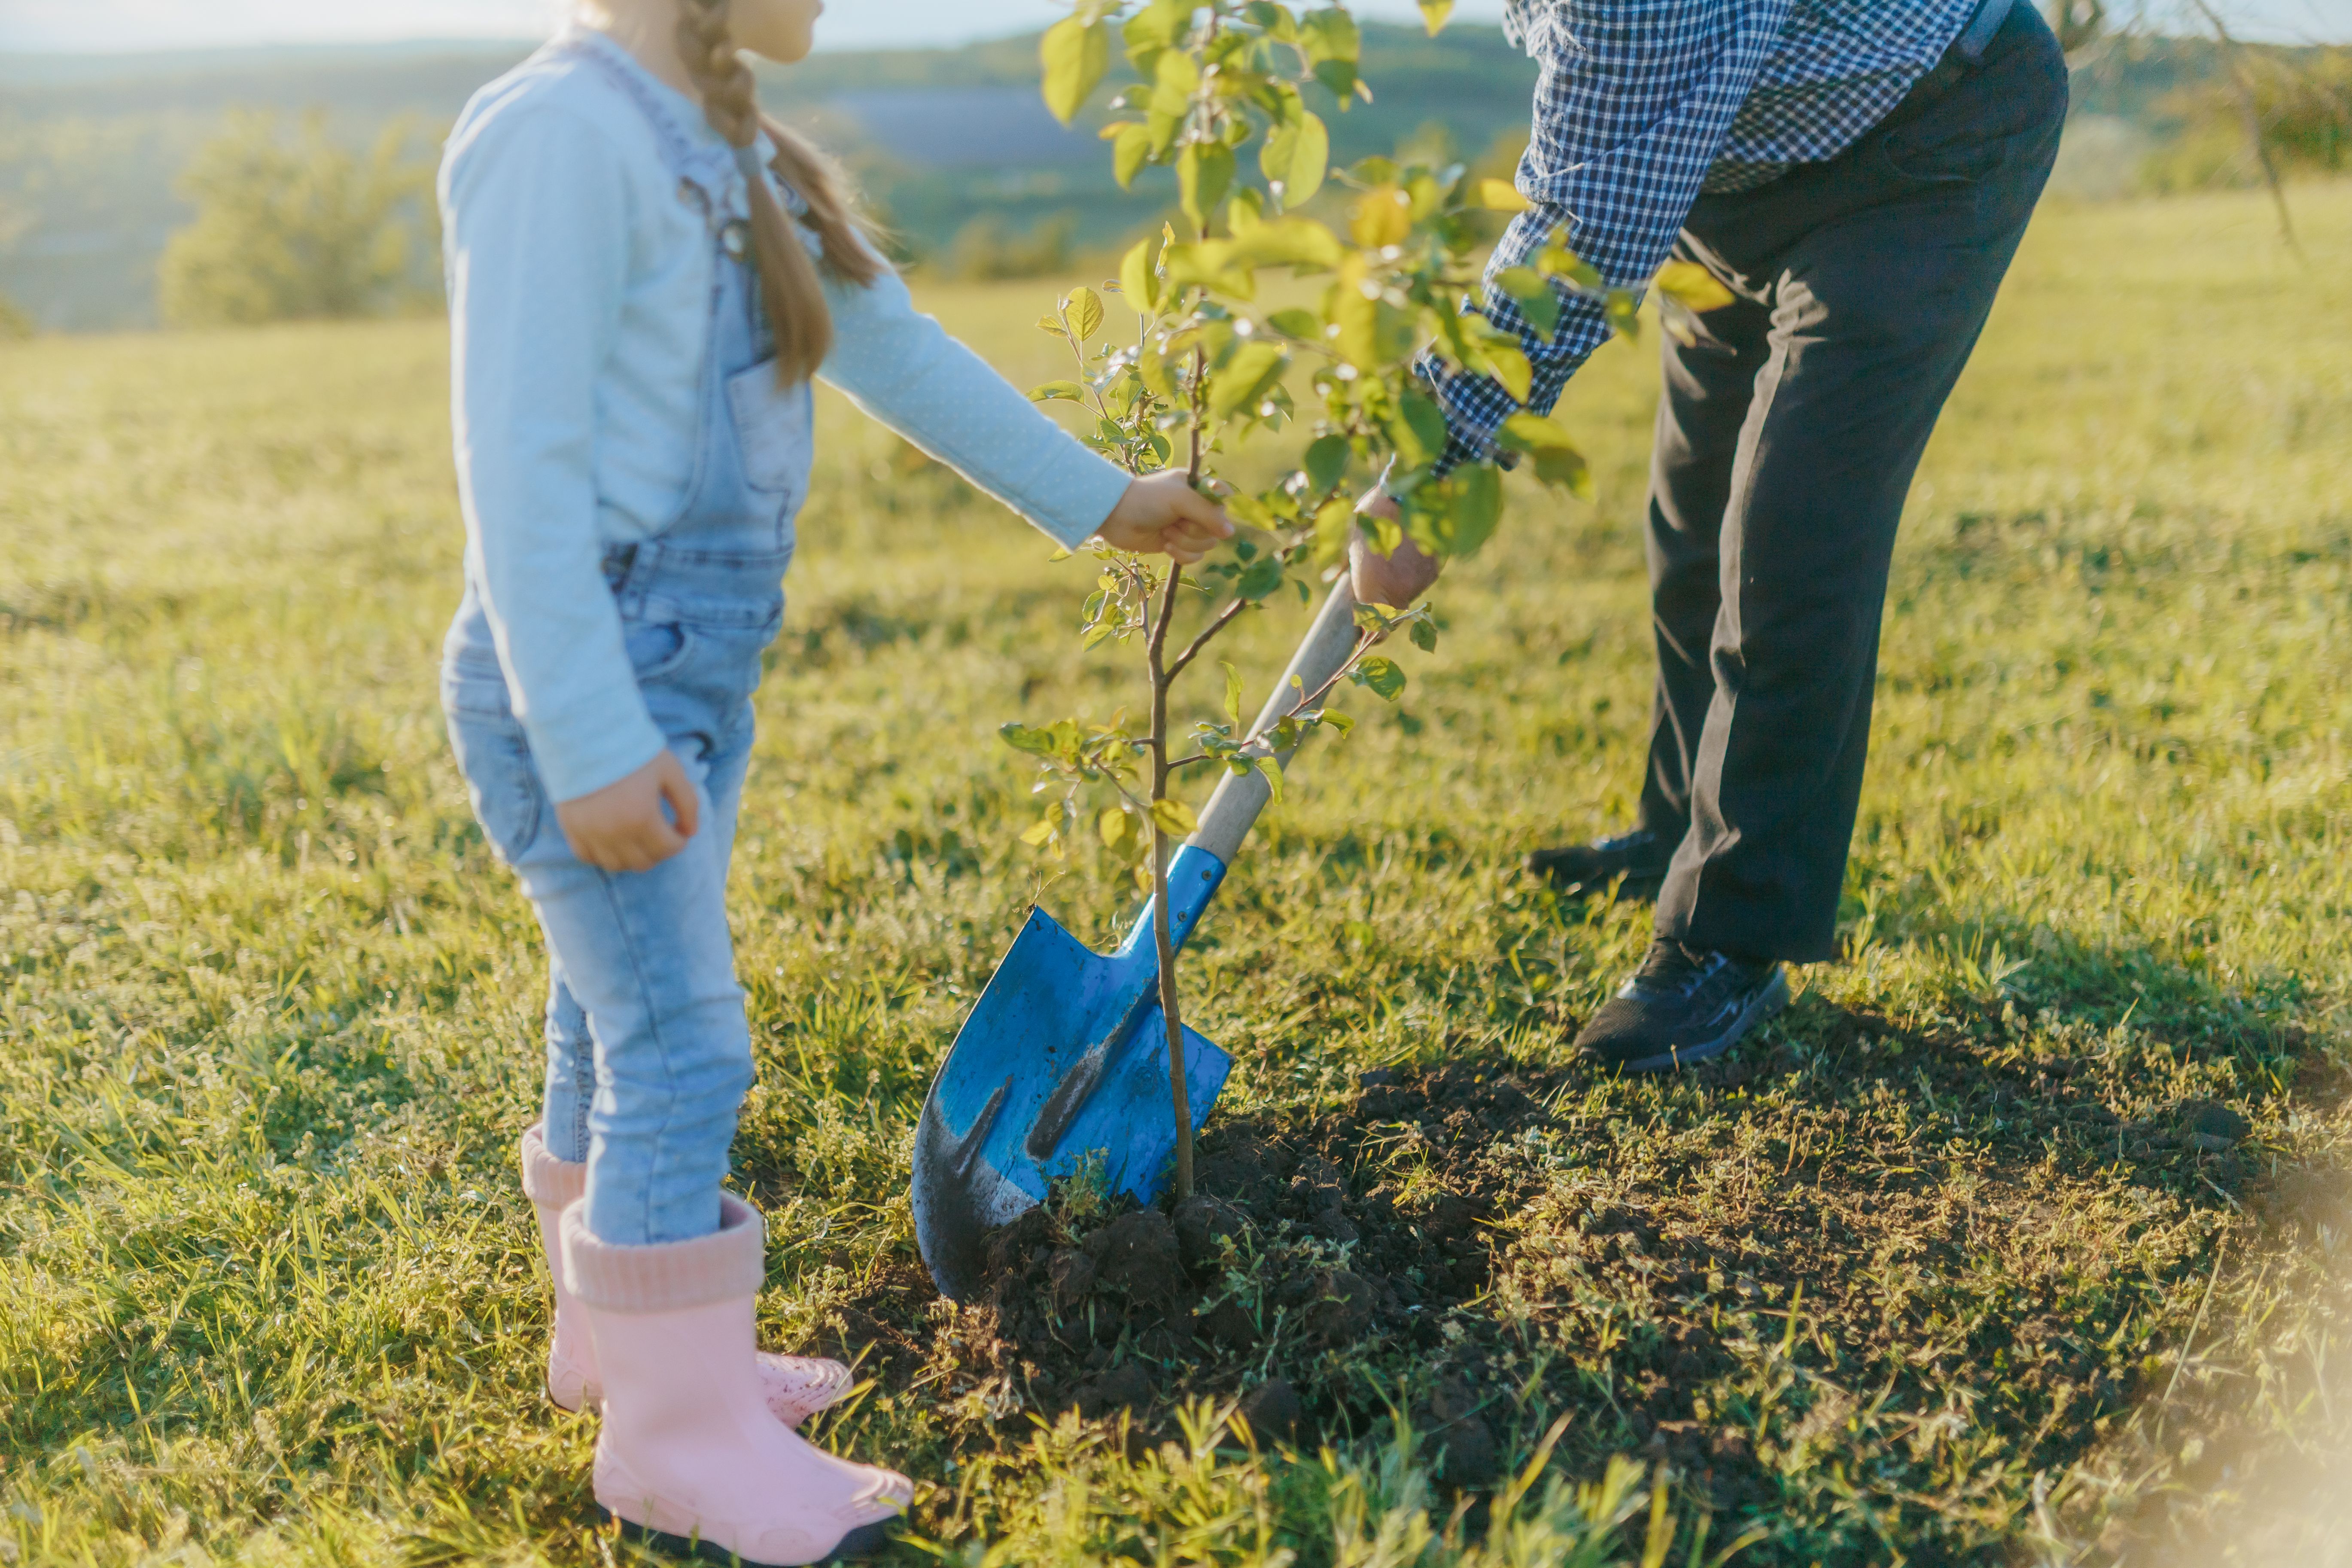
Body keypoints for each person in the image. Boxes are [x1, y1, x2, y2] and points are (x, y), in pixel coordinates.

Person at [437, 0, 1232, 1560]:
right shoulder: (556, 135)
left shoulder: (735, 152)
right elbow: (513, 462)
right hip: (586, 682)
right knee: (681, 1045)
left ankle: (618, 1345)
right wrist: (590, 737)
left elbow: (895, 353)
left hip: (679, 676)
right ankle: (672, 1447)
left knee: (610, 1014)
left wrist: (1100, 498)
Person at [1353, 0, 2067, 1073]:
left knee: (1792, 533)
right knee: (1691, 521)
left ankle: (1730, 931)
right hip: (1725, 170)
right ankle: (1675, 826)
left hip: (1923, 146)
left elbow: (1588, 217)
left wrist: (1437, 460)